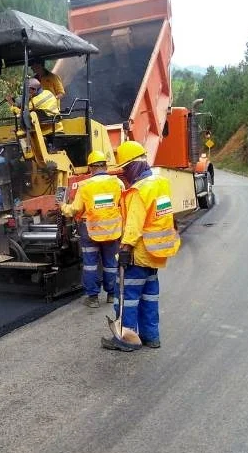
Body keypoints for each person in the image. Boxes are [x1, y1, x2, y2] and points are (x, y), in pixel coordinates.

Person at [101, 140, 181, 352]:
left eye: (125, 169)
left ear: (133, 166)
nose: (124, 174)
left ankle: (127, 339)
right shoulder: (160, 183)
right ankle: (151, 337)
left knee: (127, 297)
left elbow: (134, 225)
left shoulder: (138, 191)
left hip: (138, 255)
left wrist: (125, 249)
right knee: (150, 297)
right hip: (155, 254)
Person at [60, 150, 124, 308]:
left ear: (90, 168)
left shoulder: (85, 186)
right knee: (110, 263)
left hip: (90, 230)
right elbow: (123, 206)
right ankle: (111, 295)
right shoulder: (118, 183)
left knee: (90, 264)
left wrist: (62, 206)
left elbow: (74, 210)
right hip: (112, 230)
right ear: (106, 165)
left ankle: (93, 298)